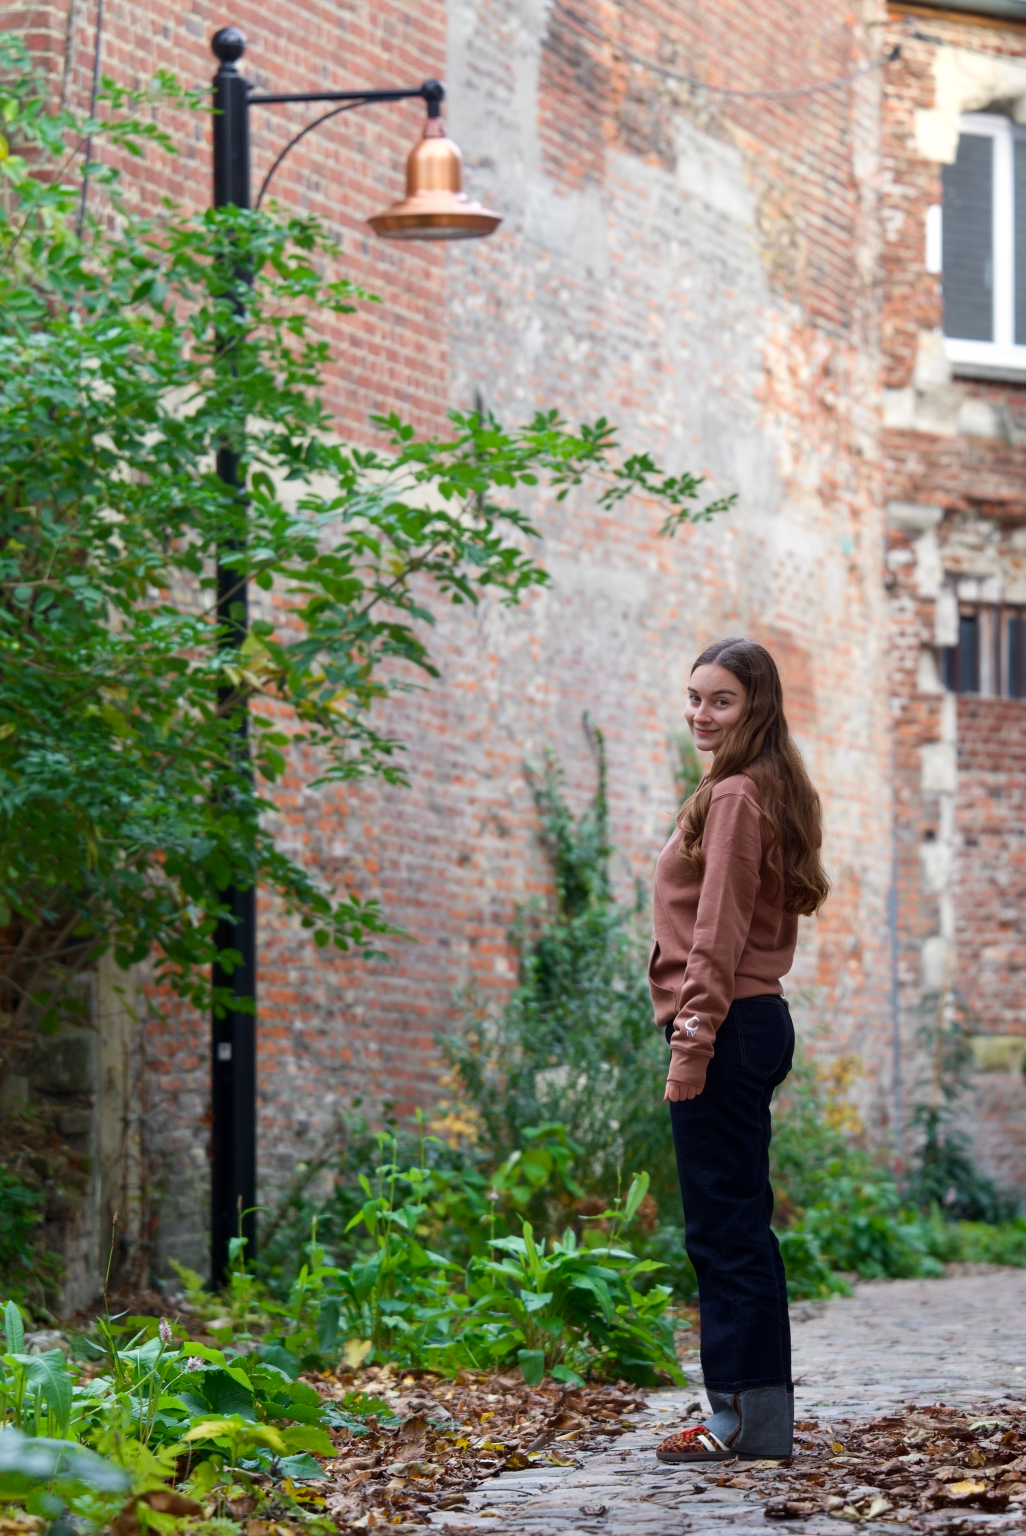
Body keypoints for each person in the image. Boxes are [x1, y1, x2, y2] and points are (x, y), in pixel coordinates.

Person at [648, 637, 829, 1464]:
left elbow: (714, 936)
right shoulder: (763, 788)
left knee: (723, 1232)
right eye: (694, 697)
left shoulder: (734, 798)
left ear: (755, 706)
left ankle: (739, 1423)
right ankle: (752, 1418)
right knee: (736, 1226)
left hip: (726, 1027)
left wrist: (690, 1046)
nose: (700, 713)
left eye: (720, 700)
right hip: (753, 1025)